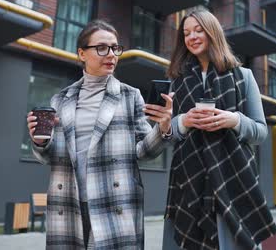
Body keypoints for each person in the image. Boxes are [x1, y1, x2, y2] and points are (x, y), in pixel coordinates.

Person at [26, 20, 175, 249]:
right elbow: (51, 157)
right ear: (82, 53)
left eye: (115, 48)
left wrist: (163, 128)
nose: (111, 55)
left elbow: (144, 153)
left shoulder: (130, 96)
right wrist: (39, 141)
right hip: (68, 203)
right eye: (102, 48)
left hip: (114, 203)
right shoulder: (61, 99)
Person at [162, 9, 276, 249]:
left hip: (233, 181)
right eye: (186, 33)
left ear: (212, 32)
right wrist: (184, 121)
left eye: (198, 30)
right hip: (188, 181)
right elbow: (167, 133)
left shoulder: (243, 76)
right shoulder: (177, 82)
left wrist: (233, 120)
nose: (191, 37)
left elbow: (260, 132)